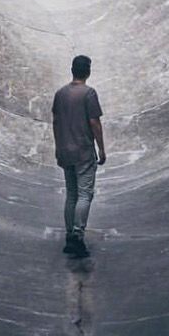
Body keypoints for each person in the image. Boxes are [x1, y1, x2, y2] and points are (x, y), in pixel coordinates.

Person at [52, 54, 106, 258]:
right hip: (83, 151)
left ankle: (69, 235)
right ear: (88, 72)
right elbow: (94, 122)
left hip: (65, 151)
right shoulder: (89, 94)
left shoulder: (60, 94)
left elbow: (56, 122)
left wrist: (58, 146)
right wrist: (101, 148)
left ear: (72, 70)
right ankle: (77, 235)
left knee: (71, 194)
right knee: (84, 195)